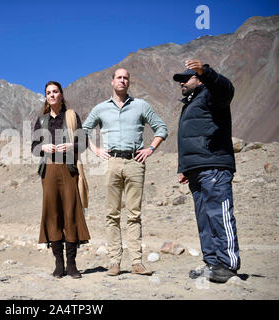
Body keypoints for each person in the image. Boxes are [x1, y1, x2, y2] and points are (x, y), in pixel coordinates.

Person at [82, 68, 168, 276]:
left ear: (129, 82)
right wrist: (96, 150)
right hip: (111, 162)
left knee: (134, 214)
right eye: (119, 77)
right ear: (112, 82)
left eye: (126, 78)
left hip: (135, 163)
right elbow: (82, 131)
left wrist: (150, 149)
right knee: (112, 214)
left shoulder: (141, 106)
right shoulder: (101, 108)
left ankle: (137, 262)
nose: (122, 80)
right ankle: (114, 262)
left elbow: (162, 128)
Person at [173, 59, 240, 283]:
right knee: (204, 219)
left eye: (186, 78)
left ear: (199, 78)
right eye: (180, 80)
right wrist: (184, 168)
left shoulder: (212, 95)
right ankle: (212, 263)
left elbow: (226, 89)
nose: (181, 82)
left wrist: (207, 72)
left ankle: (228, 264)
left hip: (214, 166)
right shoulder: (190, 103)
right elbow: (189, 137)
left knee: (219, 215)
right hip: (196, 170)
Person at [31, 81, 91, 279]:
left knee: (71, 213)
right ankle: (59, 263)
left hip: (69, 170)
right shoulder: (41, 120)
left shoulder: (72, 117)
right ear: (46, 97)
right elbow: (33, 147)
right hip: (48, 171)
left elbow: (83, 143)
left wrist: (71, 146)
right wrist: (43, 148)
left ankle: (72, 264)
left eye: (55, 92)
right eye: (48, 93)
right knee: (53, 214)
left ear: (62, 95)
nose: (52, 95)